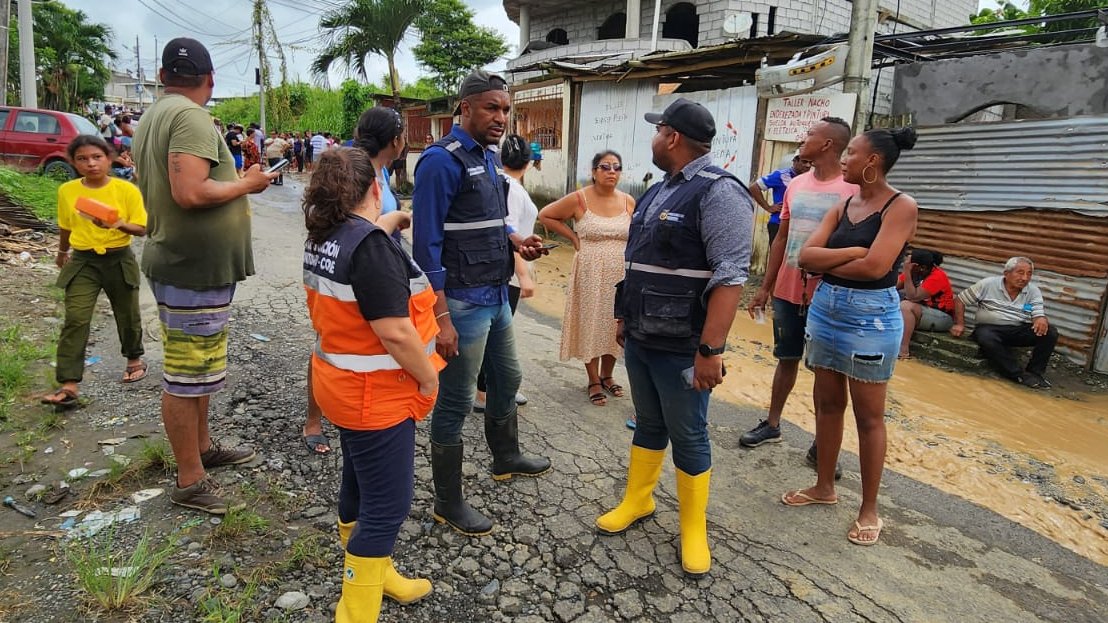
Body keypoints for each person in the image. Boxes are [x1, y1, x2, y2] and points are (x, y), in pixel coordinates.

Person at [597, 98, 753, 576]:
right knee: (647, 422)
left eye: (656, 130)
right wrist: (623, 317)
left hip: (684, 343)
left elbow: (730, 277)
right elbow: (639, 262)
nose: (653, 138)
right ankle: (638, 501)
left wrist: (711, 351)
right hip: (643, 334)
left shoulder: (719, 192)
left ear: (672, 137)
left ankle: (692, 528)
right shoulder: (659, 189)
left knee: (688, 434)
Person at [133, 37, 277, 515]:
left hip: (186, 263)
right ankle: (190, 478)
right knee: (185, 375)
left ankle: (203, 449)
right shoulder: (189, 116)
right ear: (210, 80)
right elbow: (190, 192)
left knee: (199, 370)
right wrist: (248, 184)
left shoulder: (155, 114)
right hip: (190, 267)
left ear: (161, 75)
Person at [303, 147, 441, 622]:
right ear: (374, 188)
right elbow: (395, 331)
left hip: (339, 386)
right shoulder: (370, 249)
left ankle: (378, 575)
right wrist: (428, 380)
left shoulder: (326, 235)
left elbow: (356, 265)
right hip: (375, 394)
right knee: (388, 505)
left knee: (360, 481)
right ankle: (356, 610)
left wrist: (385, 226)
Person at [412, 69, 551, 537]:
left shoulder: (488, 158)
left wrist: (518, 241)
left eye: (506, 110)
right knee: (453, 401)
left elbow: (490, 221)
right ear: (465, 108)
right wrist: (441, 316)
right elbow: (425, 248)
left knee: (507, 378)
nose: (501, 118)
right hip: (463, 303)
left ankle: (505, 456)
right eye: (492, 107)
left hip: (495, 293)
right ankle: (447, 502)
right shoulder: (438, 162)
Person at [783, 127, 920, 548]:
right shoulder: (844, 205)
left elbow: (877, 269)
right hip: (826, 310)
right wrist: (852, 253)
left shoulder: (901, 206)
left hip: (871, 318)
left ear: (872, 162)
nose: (844, 160)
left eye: (852, 154)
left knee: (868, 416)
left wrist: (834, 262)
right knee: (827, 404)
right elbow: (804, 256)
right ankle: (824, 487)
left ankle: (869, 509)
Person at [740, 118, 856, 481]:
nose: (802, 140)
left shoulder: (851, 190)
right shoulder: (796, 184)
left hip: (830, 294)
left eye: (809, 136)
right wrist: (765, 287)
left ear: (827, 145)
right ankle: (773, 423)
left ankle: (824, 444)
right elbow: (781, 239)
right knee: (785, 358)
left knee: (828, 373)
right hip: (790, 290)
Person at [41, 136, 148, 408]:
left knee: (127, 314)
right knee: (76, 317)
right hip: (83, 260)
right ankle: (69, 383)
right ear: (74, 163)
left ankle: (134, 358)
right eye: (82, 159)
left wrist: (118, 224)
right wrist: (62, 252)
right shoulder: (68, 190)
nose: (90, 163)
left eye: (96, 157)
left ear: (109, 158)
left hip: (118, 257)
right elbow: (65, 224)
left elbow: (142, 228)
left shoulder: (126, 190)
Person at [538, 150, 634, 417]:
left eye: (616, 167)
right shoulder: (580, 199)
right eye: (605, 167)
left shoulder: (628, 201)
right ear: (594, 172)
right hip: (590, 270)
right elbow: (546, 215)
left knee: (615, 322)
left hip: (620, 271)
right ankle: (593, 379)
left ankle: (608, 375)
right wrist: (573, 237)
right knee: (591, 321)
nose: (611, 171)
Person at [473, 135, 538, 414]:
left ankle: (496, 387)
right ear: (531, 162)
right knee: (496, 336)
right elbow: (507, 233)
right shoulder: (510, 187)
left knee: (498, 335)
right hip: (509, 272)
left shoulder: (506, 184)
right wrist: (523, 275)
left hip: (511, 270)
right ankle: (484, 392)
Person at [951, 257, 1057, 389]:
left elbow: (1037, 313)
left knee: (1050, 332)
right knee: (986, 336)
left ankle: (1035, 372)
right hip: (990, 329)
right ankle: (1017, 374)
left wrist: (1041, 318)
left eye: (1029, 273)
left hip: (1016, 330)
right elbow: (960, 300)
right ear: (1007, 273)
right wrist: (959, 324)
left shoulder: (1032, 291)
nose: (1025, 278)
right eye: (1020, 272)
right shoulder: (988, 284)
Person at [897, 248, 954, 358]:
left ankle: (903, 351)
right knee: (889, 297)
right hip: (921, 310)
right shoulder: (916, 271)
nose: (906, 264)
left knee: (905, 306)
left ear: (921, 267)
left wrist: (907, 273)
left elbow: (912, 297)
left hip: (942, 317)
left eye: (909, 264)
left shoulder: (937, 276)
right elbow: (891, 287)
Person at [750, 153, 810, 246]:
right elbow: (754, 188)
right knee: (777, 258)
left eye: (810, 162)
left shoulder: (810, 178)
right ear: (794, 161)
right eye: (804, 162)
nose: (808, 165)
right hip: (778, 224)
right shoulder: (780, 175)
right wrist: (768, 207)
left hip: (799, 227)